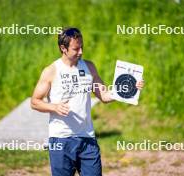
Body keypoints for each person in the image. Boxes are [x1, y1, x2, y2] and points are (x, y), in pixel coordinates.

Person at [31, 27, 144, 176]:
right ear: (63, 48)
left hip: (87, 139)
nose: (81, 52)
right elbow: (34, 102)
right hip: (61, 140)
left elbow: (104, 95)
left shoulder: (89, 67)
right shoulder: (51, 71)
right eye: (76, 49)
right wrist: (54, 107)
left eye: (82, 47)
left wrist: (129, 87)